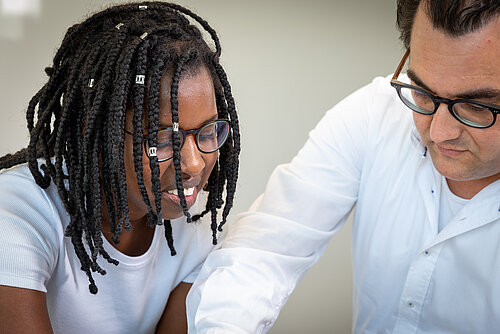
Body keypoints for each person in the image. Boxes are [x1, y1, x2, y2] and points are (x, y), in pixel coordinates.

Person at [186, 0, 500, 332]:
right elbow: (265, 250)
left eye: (476, 107)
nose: (439, 133)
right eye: (423, 93)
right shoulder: (375, 113)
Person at [0, 2, 240, 333]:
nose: (195, 163)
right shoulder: (16, 212)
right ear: (96, 129)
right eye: (165, 139)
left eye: (209, 131)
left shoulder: (197, 228)